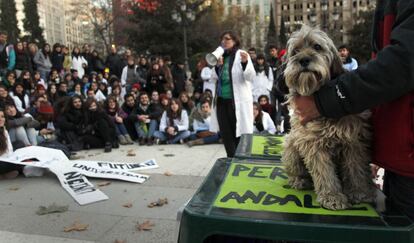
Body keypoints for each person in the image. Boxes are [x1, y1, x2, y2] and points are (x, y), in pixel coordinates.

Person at [291, 0, 414, 220]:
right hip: (400, 155)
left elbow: (404, 60)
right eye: (297, 52)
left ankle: (356, 187)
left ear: (333, 60)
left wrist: (324, 102)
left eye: (316, 48)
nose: (304, 56)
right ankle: (319, 185)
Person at [209, 30, 255, 157]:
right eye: (222, 39)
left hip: (236, 102)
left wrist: (245, 63)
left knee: (238, 131)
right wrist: (218, 66)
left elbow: (251, 76)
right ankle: (231, 158)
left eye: (227, 39)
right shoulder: (220, 56)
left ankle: (240, 159)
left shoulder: (242, 55)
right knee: (226, 132)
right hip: (221, 101)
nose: (224, 41)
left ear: (234, 41)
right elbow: (213, 78)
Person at [0, 109, 23, 180]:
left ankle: (5, 174)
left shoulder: (3, 130)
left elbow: (10, 150)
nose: (1, 119)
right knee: (21, 162)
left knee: (20, 144)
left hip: (5, 159)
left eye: (2, 116)